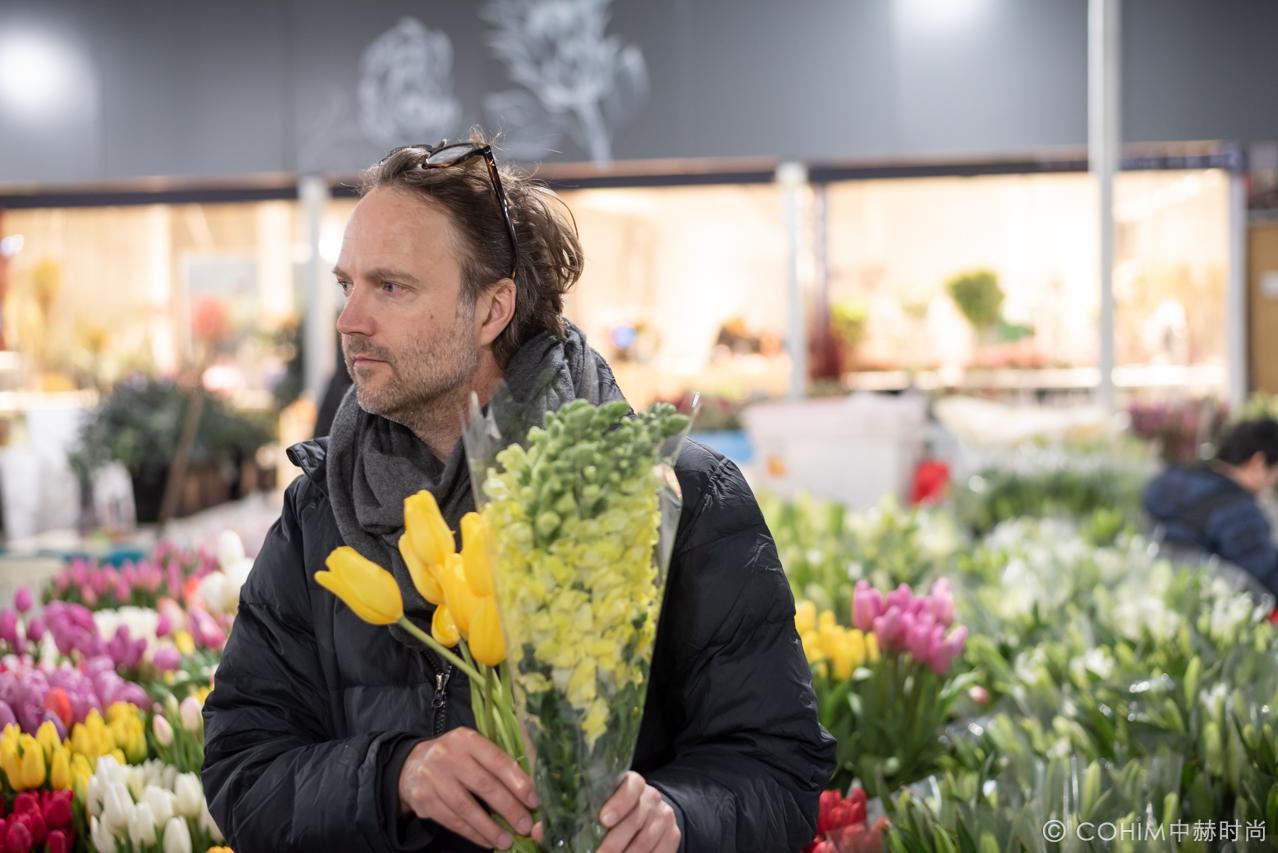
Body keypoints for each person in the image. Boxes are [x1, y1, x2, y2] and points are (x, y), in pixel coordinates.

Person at [202, 136, 835, 853]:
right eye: (349, 285)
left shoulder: (677, 494)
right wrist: (392, 776)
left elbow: (778, 769)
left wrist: (677, 816)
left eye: (391, 287)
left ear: (492, 309)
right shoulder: (319, 511)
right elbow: (240, 766)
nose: (350, 319)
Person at [1143, 417, 1278, 597]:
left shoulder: (1171, 478)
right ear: (1258, 463)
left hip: (1148, 588)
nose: (1273, 482)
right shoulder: (1240, 512)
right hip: (1198, 602)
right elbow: (1268, 577)